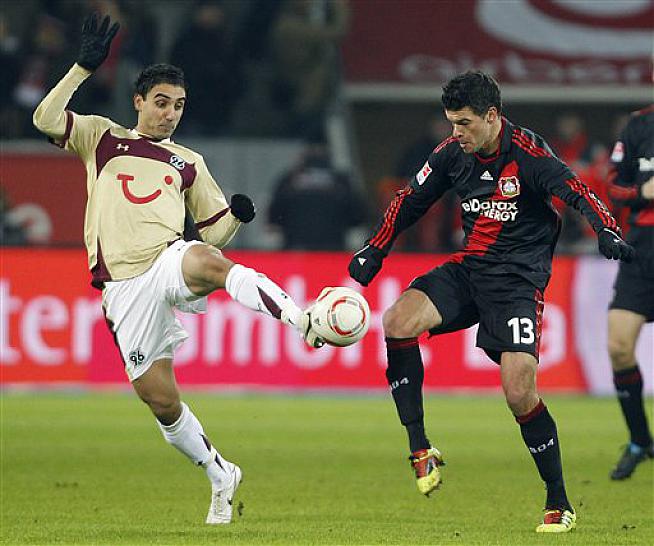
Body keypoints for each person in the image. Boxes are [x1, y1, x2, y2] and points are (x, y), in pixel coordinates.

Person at [32, 13, 316, 525]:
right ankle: (220, 472)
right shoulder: (101, 137)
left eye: (179, 105)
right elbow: (45, 120)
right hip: (123, 286)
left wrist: (236, 217)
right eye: (161, 102)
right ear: (138, 101)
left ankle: (301, 319)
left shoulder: (188, 161)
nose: (170, 114)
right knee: (160, 400)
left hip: (166, 257)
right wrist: (81, 69)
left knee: (207, 260)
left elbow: (213, 233)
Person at [348, 71, 634, 533]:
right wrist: (375, 248)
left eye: (464, 123)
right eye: (451, 122)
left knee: (519, 391)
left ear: (492, 116)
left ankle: (558, 500)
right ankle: (420, 447)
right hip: (470, 269)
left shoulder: (530, 155)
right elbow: (410, 200)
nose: (456, 132)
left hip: (517, 283)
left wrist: (605, 229)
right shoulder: (451, 154)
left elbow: (578, 192)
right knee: (398, 320)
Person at [605, 104, 654, 480]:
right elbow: (613, 186)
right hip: (642, 246)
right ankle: (640, 441)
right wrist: (642, 190)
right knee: (619, 346)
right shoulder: (639, 125)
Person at [268, 137, 366, 250]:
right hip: (332, 248)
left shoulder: (290, 180)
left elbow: (275, 217)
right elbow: (359, 216)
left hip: (297, 249)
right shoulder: (341, 181)